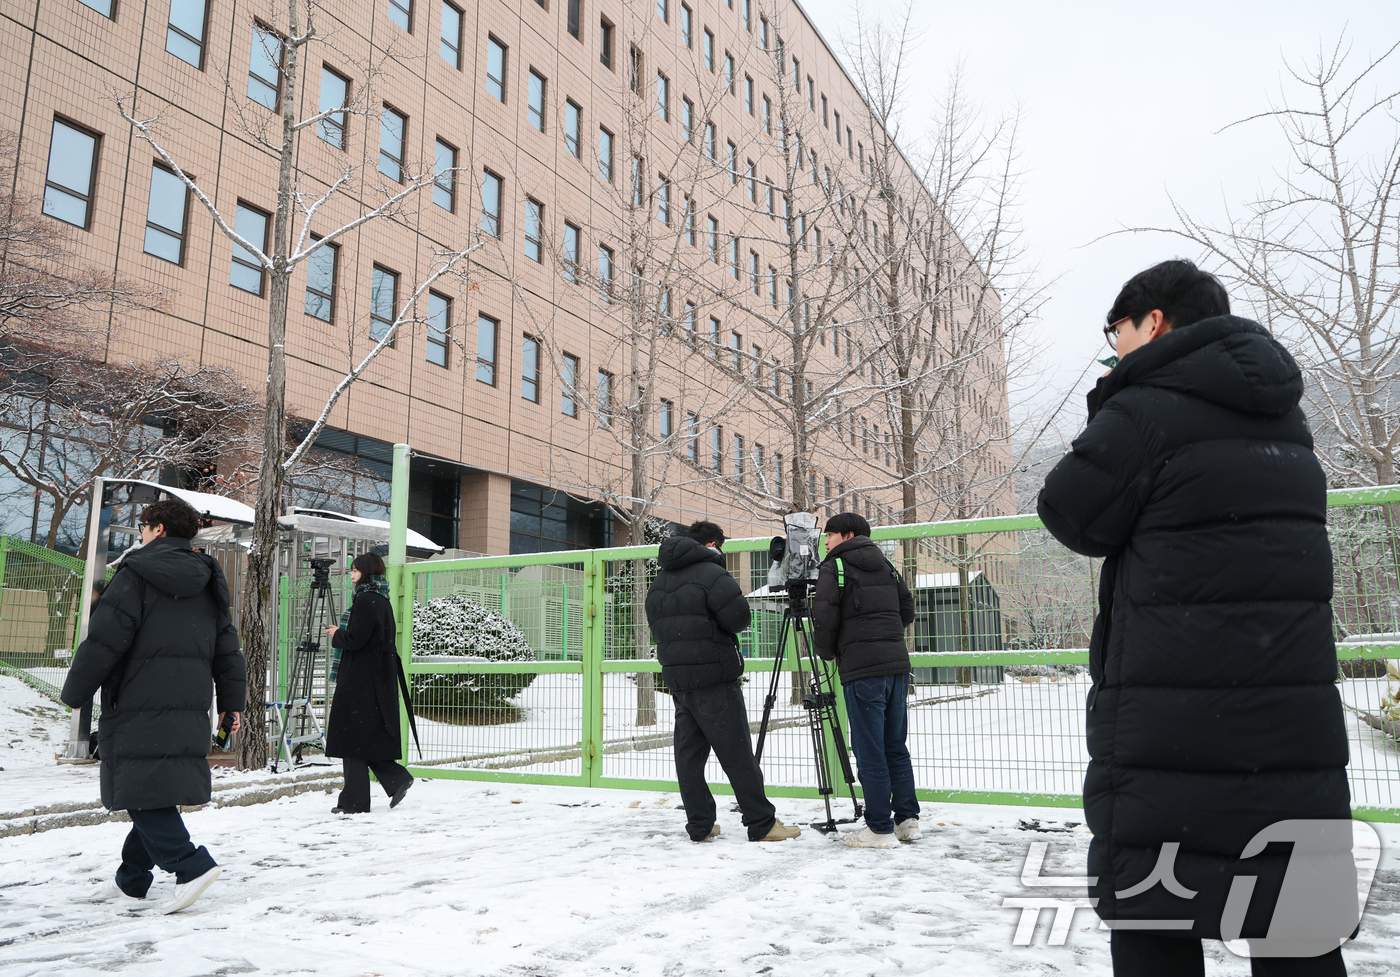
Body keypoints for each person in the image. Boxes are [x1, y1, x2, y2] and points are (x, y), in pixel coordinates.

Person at [1037, 260, 1352, 977]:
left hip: (1174, 720)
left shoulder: (1146, 407)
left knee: (1157, 907)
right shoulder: (1286, 415)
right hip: (1287, 716)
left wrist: (1113, 401)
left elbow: (1070, 511)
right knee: (1292, 918)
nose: (1112, 346)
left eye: (1114, 330)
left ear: (1153, 322)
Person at [61, 497, 245, 914]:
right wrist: (231, 703)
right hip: (188, 699)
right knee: (151, 783)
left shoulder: (135, 574)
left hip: (137, 699)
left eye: (143, 525)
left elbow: (105, 641)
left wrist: (75, 693)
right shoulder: (210, 580)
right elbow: (228, 650)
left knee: (140, 787)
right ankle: (131, 880)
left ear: (159, 529)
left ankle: (189, 865)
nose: (141, 532)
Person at [645, 521, 800, 842]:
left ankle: (700, 824)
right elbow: (739, 617)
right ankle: (762, 822)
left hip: (679, 679)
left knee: (688, 755)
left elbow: (658, 626)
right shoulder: (711, 574)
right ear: (714, 545)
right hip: (714, 675)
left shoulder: (659, 581)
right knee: (737, 753)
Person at [810, 512, 918, 849]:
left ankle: (878, 829)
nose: (825, 541)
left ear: (847, 534)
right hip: (897, 667)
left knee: (869, 749)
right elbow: (907, 611)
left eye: (829, 535)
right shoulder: (886, 564)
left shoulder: (834, 567)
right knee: (894, 745)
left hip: (862, 670)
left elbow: (825, 616)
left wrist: (827, 650)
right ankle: (906, 820)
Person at [324, 551, 416, 814]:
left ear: (365, 571)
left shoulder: (365, 600)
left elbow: (356, 639)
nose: (351, 575)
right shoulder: (382, 599)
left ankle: (355, 802)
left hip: (361, 677)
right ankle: (394, 779)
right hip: (376, 676)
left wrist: (336, 634)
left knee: (352, 738)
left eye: (354, 570)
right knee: (362, 737)